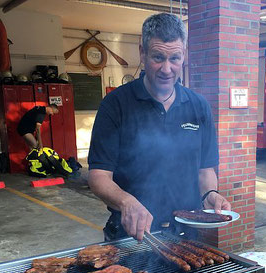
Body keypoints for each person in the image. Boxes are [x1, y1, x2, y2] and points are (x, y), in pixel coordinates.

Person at [88, 13, 231, 242]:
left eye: (175, 58)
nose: (167, 69)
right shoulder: (115, 104)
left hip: (187, 233)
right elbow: (98, 176)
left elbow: (205, 171)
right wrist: (127, 202)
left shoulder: (199, 106)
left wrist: (209, 194)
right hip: (131, 234)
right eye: (158, 57)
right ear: (142, 53)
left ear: (184, 54)